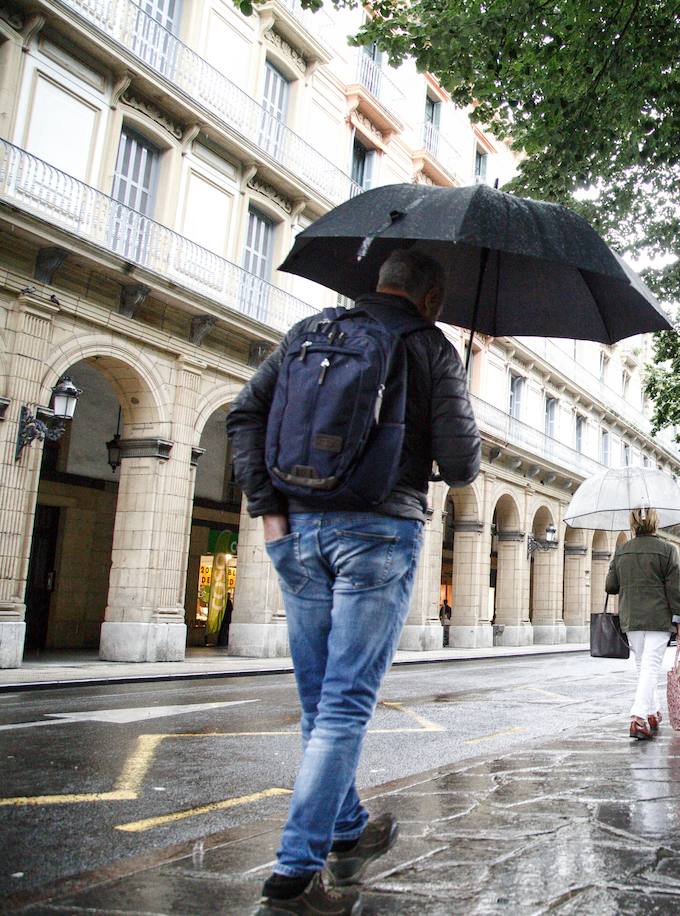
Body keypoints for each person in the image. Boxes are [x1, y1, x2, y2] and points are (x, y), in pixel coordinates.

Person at [227, 249, 481, 915]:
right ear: (429, 299)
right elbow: (459, 466)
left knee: (321, 705)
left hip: (300, 535)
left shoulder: (311, 332)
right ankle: (291, 876)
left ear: (379, 285)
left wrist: (269, 512)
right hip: (378, 533)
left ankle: (347, 832)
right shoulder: (433, 347)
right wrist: (455, 395)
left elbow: (243, 415)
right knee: (342, 707)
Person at [604, 507, 680, 740]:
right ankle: (638, 717)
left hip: (631, 618)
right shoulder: (668, 550)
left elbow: (611, 586)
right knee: (649, 665)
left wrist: (616, 563)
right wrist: (679, 624)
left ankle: (652, 713)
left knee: (643, 665)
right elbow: (675, 591)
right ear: (655, 523)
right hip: (659, 618)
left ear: (633, 524)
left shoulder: (622, 551)